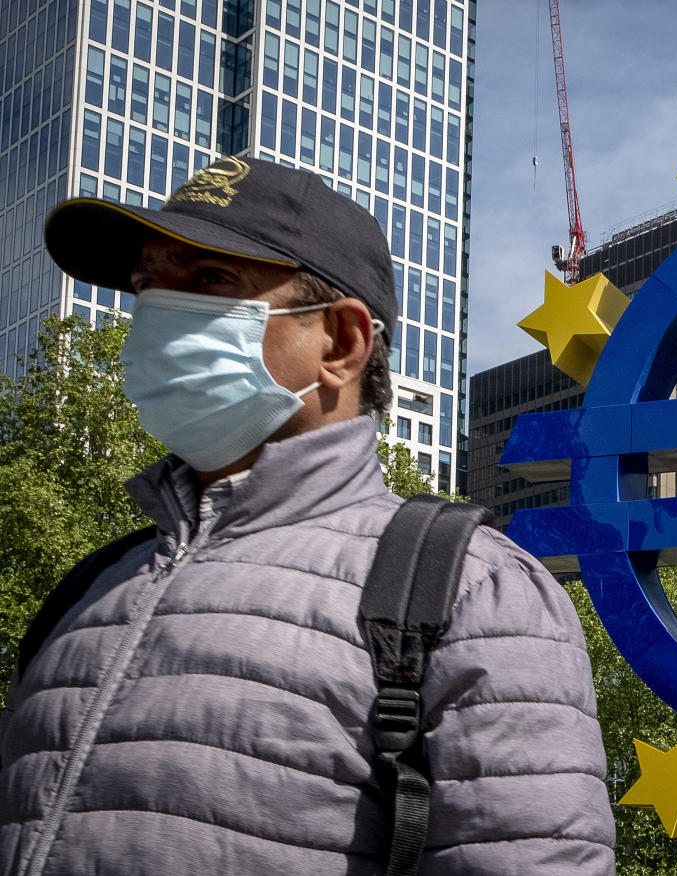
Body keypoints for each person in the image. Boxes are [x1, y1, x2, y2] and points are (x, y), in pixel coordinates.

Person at [0, 156, 616, 875]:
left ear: (342, 343)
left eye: (208, 281)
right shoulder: (90, 588)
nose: (157, 316)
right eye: (146, 285)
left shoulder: (470, 589)